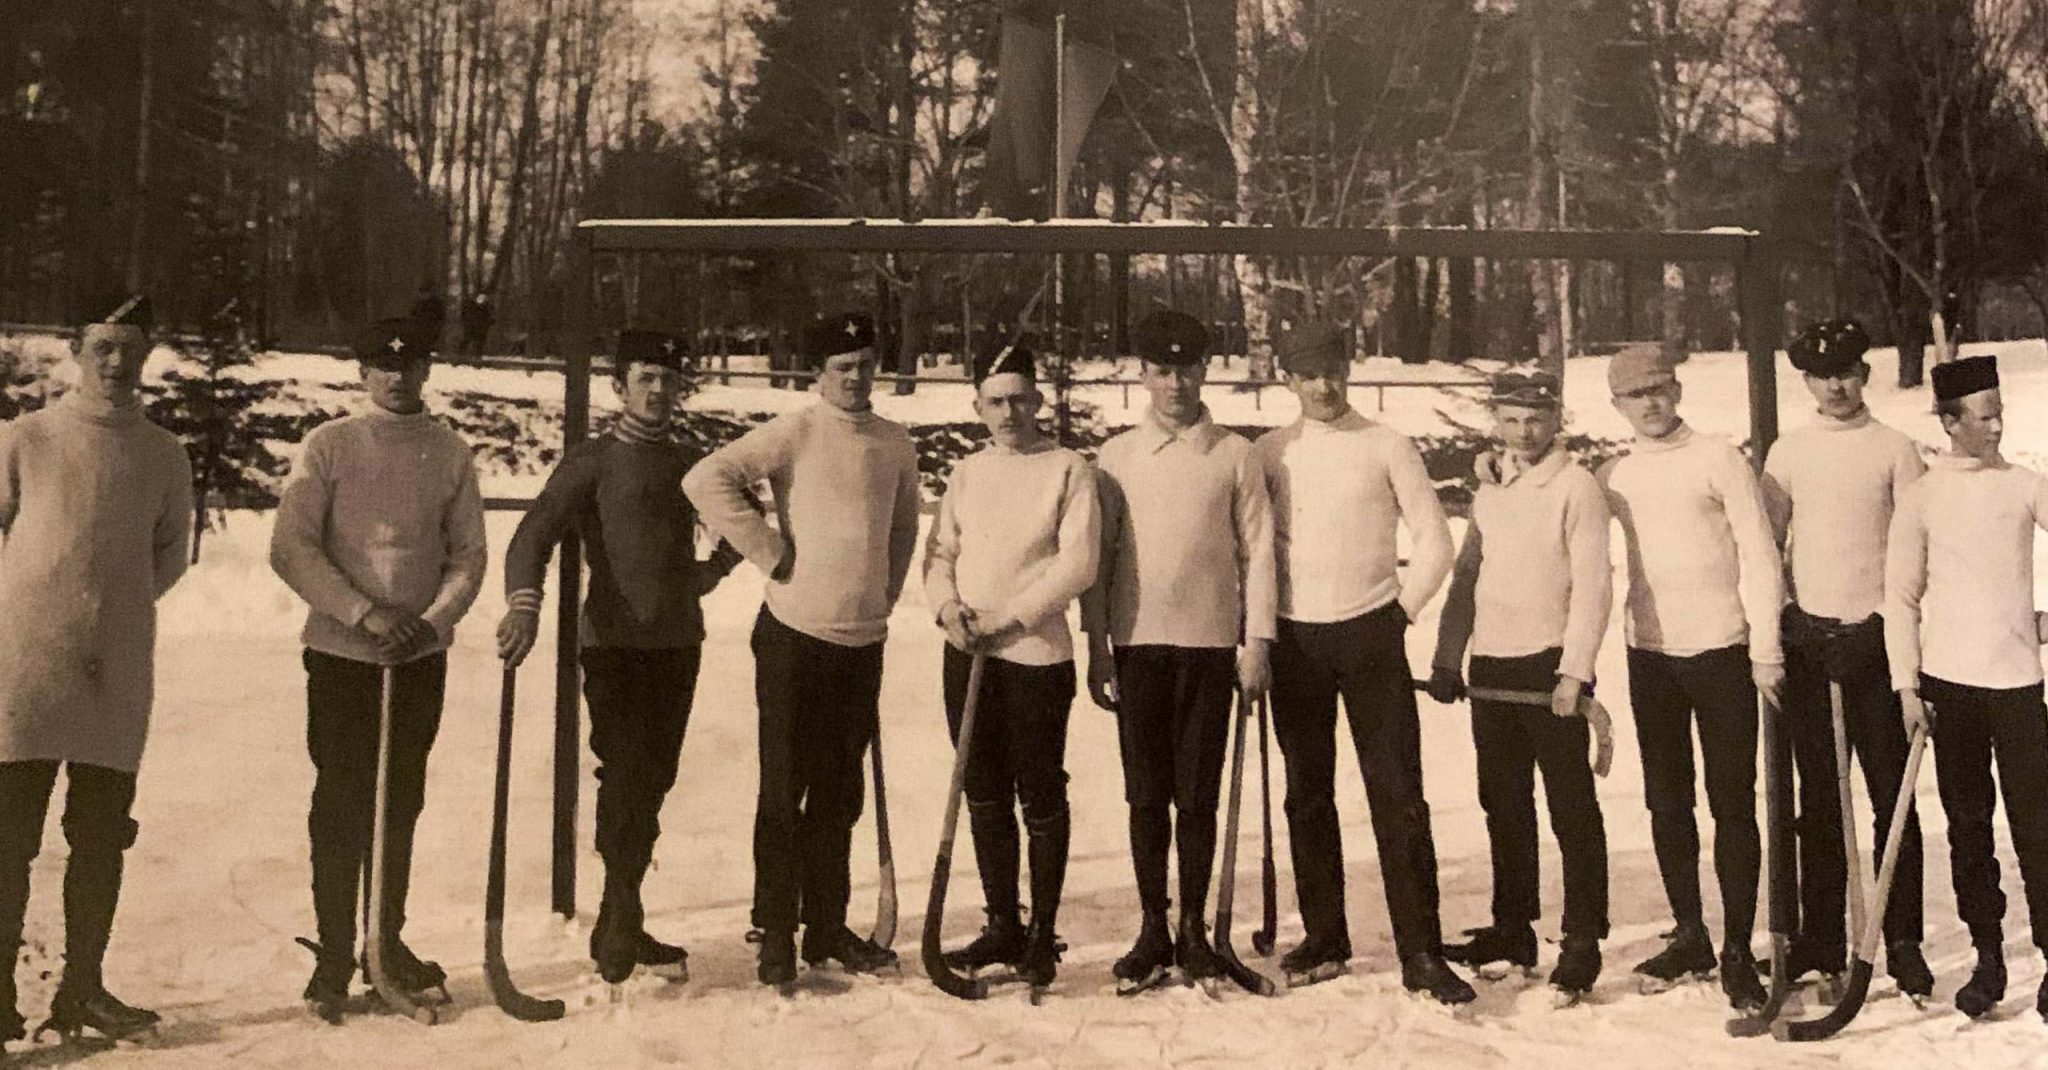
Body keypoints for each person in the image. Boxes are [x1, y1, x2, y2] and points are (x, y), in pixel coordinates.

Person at [684, 312, 921, 988]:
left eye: (866, 364)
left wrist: (881, 593)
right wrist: (768, 550)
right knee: (786, 789)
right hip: (792, 637)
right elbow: (708, 479)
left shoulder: (894, 443)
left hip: (860, 640)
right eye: (842, 366)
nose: (855, 377)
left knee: (840, 793)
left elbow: (901, 529)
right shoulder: (796, 430)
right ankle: (777, 931)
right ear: (819, 372)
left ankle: (824, 926)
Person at [499, 329, 740, 986]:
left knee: (653, 781)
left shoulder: (692, 463)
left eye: (668, 379)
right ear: (620, 386)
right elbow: (533, 535)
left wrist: (712, 569)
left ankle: (621, 912)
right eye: (645, 378)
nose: (658, 391)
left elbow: (745, 514)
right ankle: (621, 907)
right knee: (626, 773)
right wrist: (525, 604)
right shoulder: (594, 461)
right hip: (612, 648)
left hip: (677, 647)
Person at [270, 315, 487, 1023]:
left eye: (411, 364)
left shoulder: (449, 451)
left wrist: (430, 622)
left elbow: (468, 555)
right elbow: (293, 547)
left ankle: (382, 945)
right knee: (341, 802)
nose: (398, 378)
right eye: (383, 366)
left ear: (427, 371)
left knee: (400, 802)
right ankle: (335, 954)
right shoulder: (330, 445)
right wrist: (363, 613)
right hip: (342, 657)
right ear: (363, 372)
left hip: (417, 658)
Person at [1255, 322, 1472, 1004]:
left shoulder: (1387, 445)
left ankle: (1421, 951)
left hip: (1371, 637)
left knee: (1399, 797)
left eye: (1333, 371)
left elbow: (1437, 544)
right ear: (1286, 379)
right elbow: (1250, 550)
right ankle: (1325, 936)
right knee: (1307, 794)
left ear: (1348, 371)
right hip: (1295, 643)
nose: (1323, 386)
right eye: (1307, 374)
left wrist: (1399, 615)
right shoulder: (1269, 452)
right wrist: (1257, 631)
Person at [0, 294, 193, 1043]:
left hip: (115, 669)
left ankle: (81, 990)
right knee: (10, 835)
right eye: (103, 347)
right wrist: (33, 606)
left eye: (132, 348)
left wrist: (112, 611)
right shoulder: (28, 439)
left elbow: (168, 555)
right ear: (75, 351)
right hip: (25, 665)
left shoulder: (163, 453)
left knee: (101, 832)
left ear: (147, 355)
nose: (117, 363)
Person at [1080, 310, 1276, 995]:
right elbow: (1096, 559)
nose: (1176, 384)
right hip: (1137, 645)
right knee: (1145, 795)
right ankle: (1152, 926)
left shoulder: (1234, 454)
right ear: (1143, 375)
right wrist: (1098, 646)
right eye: (1162, 371)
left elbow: (1259, 557)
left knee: (1196, 796)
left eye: (1187, 369)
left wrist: (1257, 644)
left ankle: (1194, 927)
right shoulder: (1117, 456)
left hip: (1209, 645)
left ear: (1205, 371)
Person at [1597, 344, 1783, 1010]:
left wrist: (1766, 648)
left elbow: (1760, 556)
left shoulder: (1718, 458)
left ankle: (1737, 948)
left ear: (1677, 391)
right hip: (1649, 653)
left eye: (1659, 390)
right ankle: (1690, 934)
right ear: (1617, 406)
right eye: (1634, 396)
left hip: (1723, 649)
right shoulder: (1614, 476)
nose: (1650, 404)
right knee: (1666, 801)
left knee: (1732, 800)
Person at [1759, 319, 1931, 999]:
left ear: (1866, 373)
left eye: (1847, 371)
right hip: (1811, 648)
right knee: (1820, 803)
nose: (1836, 385)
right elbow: (1768, 546)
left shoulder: (1896, 451)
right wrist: (1790, 623)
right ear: (1806, 380)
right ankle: (1823, 939)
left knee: (1893, 800)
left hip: (1877, 649)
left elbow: (1918, 555)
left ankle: (1904, 942)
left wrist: (1882, 628)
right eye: (1822, 375)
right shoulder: (1789, 452)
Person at [1428, 367, 1611, 1002]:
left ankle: (1583, 938)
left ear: (1555, 418)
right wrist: (1449, 659)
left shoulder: (1578, 487)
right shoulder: (1492, 488)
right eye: (1509, 418)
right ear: (1495, 423)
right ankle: (1513, 928)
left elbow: (1593, 584)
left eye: (1534, 417)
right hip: (1493, 668)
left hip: (1551, 666)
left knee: (1570, 807)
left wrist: (1576, 670)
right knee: (1502, 802)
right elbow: (1467, 578)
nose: (1523, 430)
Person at [924, 344, 1100, 990]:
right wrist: (948, 609)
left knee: (1040, 792)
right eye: (995, 401)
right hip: (967, 654)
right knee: (984, 792)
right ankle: (1003, 922)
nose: (1009, 412)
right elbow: (939, 553)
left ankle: (1040, 937)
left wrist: (1013, 618)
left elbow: (1076, 564)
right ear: (977, 406)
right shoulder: (967, 473)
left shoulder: (1067, 468)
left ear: (1038, 402)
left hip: (1034, 656)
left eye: (1020, 398)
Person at [1885, 353, 2048, 1020]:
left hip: (2017, 685)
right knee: (1969, 830)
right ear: (1950, 422)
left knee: (2038, 827)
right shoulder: (1923, 495)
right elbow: (1900, 598)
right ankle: (1988, 958)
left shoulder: (2025, 486)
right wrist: (1905, 685)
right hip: (1949, 689)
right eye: (1985, 415)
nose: (1998, 425)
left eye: (2000, 411)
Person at [460, 294, 493, 360]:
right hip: (472, 328)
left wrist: (487, 324)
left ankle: (477, 357)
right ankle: (460, 355)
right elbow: (466, 316)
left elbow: (489, 319)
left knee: (479, 344)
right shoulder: (472, 308)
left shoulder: (486, 309)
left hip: (480, 329)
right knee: (466, 341)